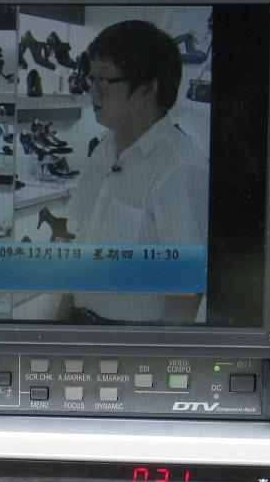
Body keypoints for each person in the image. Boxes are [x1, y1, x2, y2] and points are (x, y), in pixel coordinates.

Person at [65, 20, 208, 323]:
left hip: (132, 336)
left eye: (104, 80)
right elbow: (78, 249)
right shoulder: (104, 151)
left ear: (147, 89)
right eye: (91, 78)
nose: (93, 91)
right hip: (80, 324)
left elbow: (186, 289)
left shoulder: (180, 168)